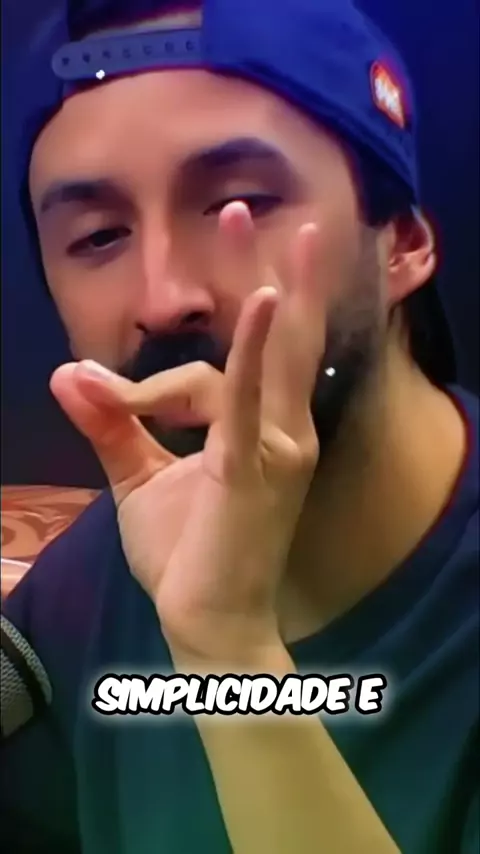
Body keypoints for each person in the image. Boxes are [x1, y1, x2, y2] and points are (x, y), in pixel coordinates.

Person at [1, 1, 478, 852]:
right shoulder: (81, 593)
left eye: (242, 203)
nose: (163, 298)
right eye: (100, 236)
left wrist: (227, 648)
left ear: (402, 244)